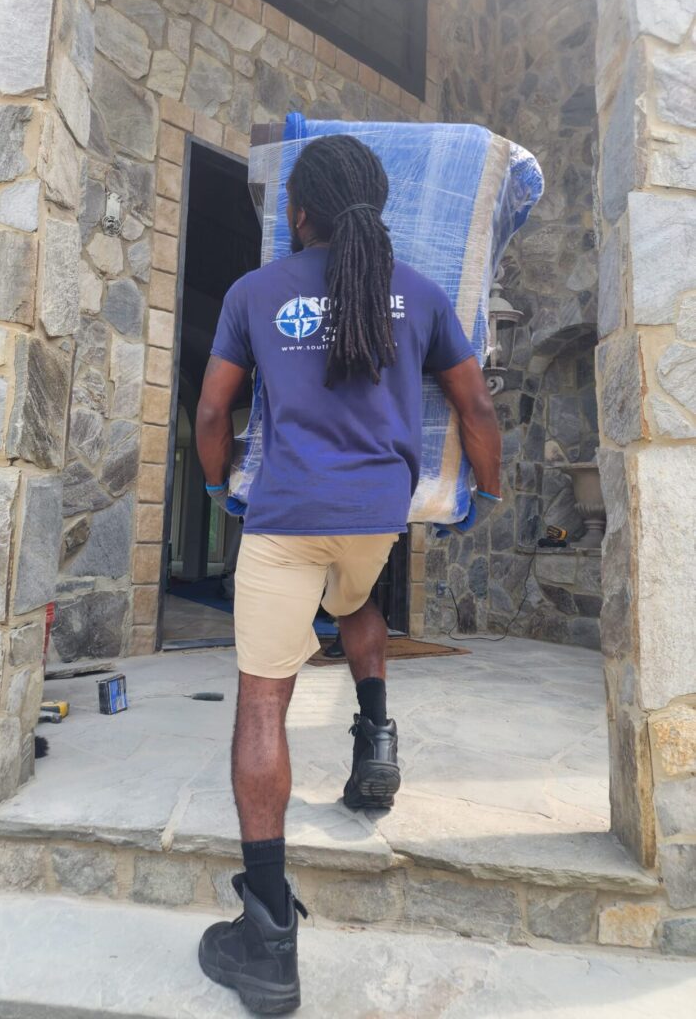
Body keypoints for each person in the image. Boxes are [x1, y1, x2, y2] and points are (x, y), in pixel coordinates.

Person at [195, 134, 502, 1014]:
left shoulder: (257, 292)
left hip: (288, 518)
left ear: (299, 214)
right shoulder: (419, 293)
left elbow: (215, 407)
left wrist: (220, 487)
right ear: (375, 208)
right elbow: (474, 404)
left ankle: (267, 936)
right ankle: (375, 744)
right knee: (358, 598)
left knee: (264, 701)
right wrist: (485, 490)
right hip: (374, 517)